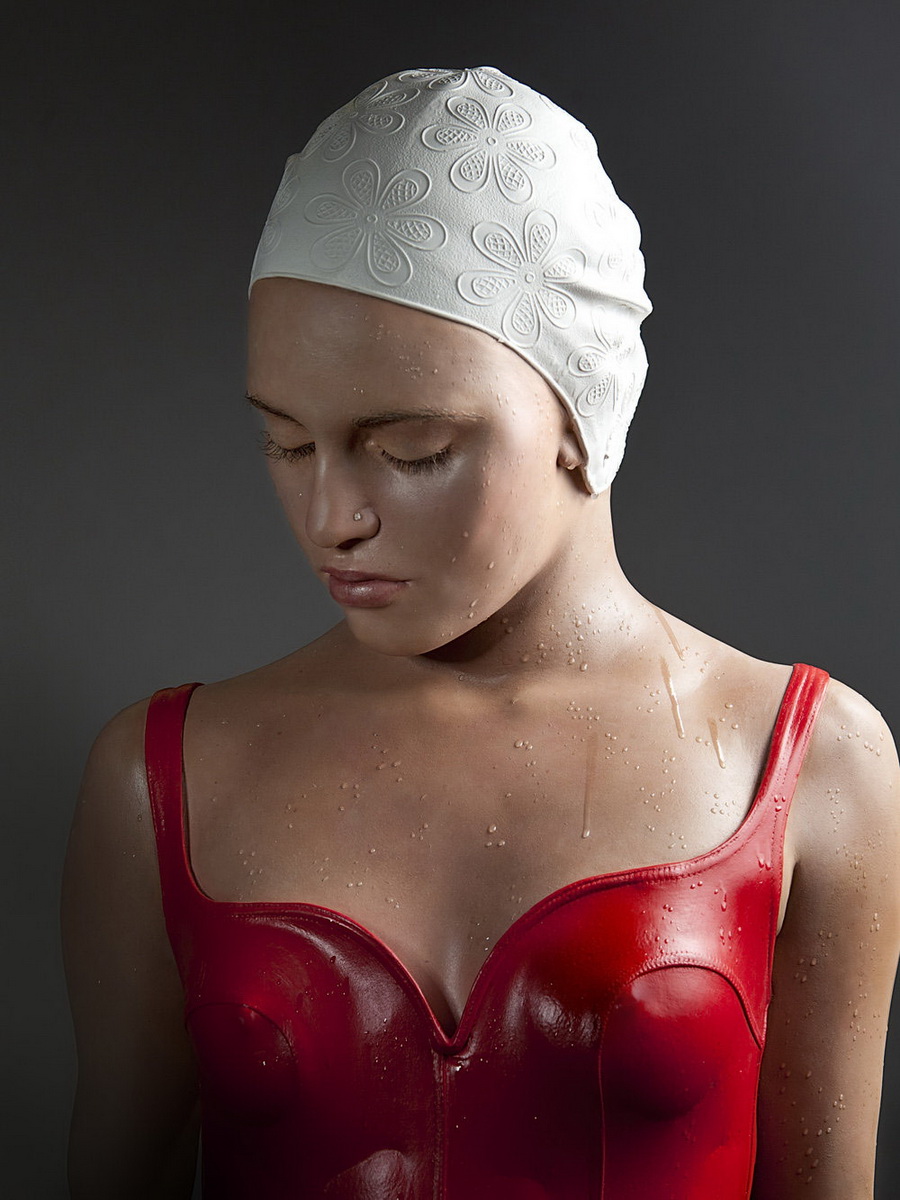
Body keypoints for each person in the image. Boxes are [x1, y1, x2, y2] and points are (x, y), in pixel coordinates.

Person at [60, 65, 900, 1200]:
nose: (332, 516)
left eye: (411, 449)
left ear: (583, 408)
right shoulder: (158, 780)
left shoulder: (813, 766)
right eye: (286, 443)